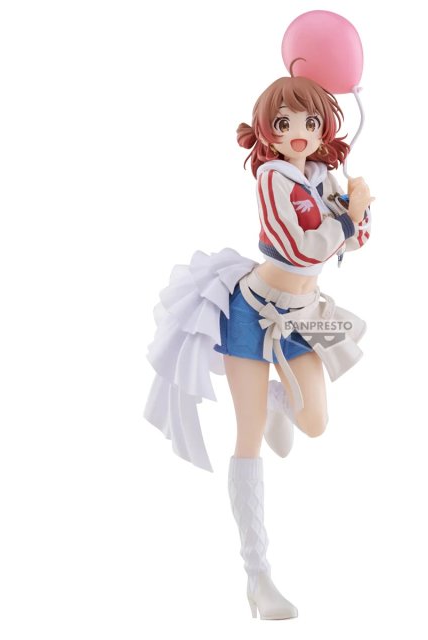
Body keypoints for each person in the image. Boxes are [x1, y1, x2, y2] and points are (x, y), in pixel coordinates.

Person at [144, 61, 373, 620]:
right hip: (253, 312)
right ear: (268, 128)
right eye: (285, 121)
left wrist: (357, 209)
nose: (299, 133)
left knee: (314, 422)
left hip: (303, 315)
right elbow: (301, 247)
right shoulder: (273, 178)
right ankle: (258, 576)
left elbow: (354, 241)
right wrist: (350, 218)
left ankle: (276, 399)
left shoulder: (322, 176)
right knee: (248, 437)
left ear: (324, 128)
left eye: (310, 122)